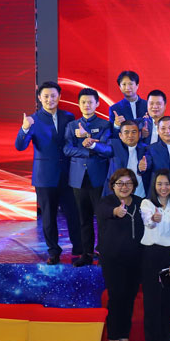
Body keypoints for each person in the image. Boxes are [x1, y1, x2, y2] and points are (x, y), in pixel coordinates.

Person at [15, 81, 82, 265]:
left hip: (68, 174)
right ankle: (53, 252)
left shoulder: (68, 116)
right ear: (39, 98)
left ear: (59, 97)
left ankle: (79, 249)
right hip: (44, 177)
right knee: (48, 217)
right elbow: (20, 146)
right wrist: (24, 128)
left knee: (73, 214)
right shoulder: (33, 120)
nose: (50, 99)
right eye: (46, 96)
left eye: (53, 96)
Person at [96, 168, 144, 341]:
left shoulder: (140, 203)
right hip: (113, 260)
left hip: (135, 260)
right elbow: (104, 212)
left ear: (134, 185)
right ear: (113, 185)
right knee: (116, 298)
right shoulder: (106, 202)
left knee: (129, 298)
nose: (124, 187)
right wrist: (116, 211)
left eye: (128, 183)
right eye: (120, 183)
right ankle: (113, 337)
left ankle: (124, 335)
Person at [64, 87, 112, 267]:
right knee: (83, 219)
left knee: (103, 218)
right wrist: (88, 151)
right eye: (83, 102)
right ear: (78, 104)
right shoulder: (72, 126)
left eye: (90, 102)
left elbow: (107, 149)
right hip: (78, 178)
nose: (87, 105)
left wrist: (89, 140)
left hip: (98, 178)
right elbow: (67, 149)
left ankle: (104, 252)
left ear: (97, 103)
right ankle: (87, 254)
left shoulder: (105, 125)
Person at [140, 170, 170, 341]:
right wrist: (153, 219)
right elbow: (148, 223)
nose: (163, 188)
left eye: (167, 184)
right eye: (159, 184)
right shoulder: (147, 203)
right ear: (154, 185)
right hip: (150, 254)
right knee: (152, 300)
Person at [105, 120, 149, 198]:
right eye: (126, 132)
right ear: (120, 135)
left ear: (139, 134)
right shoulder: (115, 145)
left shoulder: (146, 149)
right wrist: (92, 145)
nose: (130, 135)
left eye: (134, 132)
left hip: (141, 196)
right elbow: (103, 149)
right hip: (116, 196)